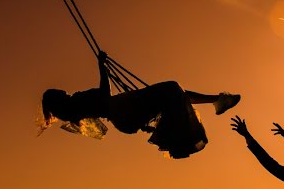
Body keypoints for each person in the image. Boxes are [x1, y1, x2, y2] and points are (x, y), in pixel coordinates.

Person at [40, 51, 240, 158]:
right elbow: (104, 94)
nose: (62, 90)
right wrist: (101, 66)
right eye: (58, 92)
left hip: (123, 114)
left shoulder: (73, 108)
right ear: (56, 98)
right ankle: (181, 136)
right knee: (171, 88)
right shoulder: (76, 103)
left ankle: (217, 100)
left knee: (175, 94)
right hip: (121, 108)